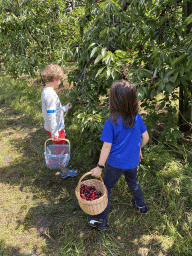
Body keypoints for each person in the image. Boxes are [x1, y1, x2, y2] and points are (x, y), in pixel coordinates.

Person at [88, 80, 149, 230]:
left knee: (106, 188)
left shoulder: (111, 122)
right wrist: (138, 149)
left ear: (114, 100)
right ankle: (141, 206)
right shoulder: (137, 117)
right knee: (133, 182)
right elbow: (146, 138)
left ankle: (101, 220)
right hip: (132, 162)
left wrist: (99, 167)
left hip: (115, 164)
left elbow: (107, 146)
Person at [41, 63, 79, 178]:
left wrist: (65, 108)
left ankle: (59, 162)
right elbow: (51, 114)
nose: (60, 82)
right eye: (60, 80)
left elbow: (54, 110)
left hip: (52, 127)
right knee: (61, 148)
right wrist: (55, 132)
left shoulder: (46, 91)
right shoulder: (51, 94)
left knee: (58, 147)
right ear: (56, 79)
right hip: (56, 128)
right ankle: (64, 170)